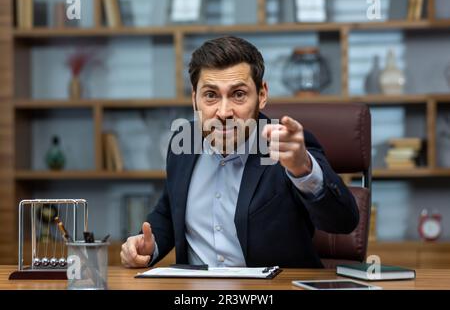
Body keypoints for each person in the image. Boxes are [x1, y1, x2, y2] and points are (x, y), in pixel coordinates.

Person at [120, 36, 359, 268]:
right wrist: (147, 246)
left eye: (238, 94)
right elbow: (169, 213)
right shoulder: (183, 144)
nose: (224, 112)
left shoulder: (287, 147)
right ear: (195, 100)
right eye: (211, 95)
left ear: (262, 95)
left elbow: (343, 221)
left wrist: (303, 169)